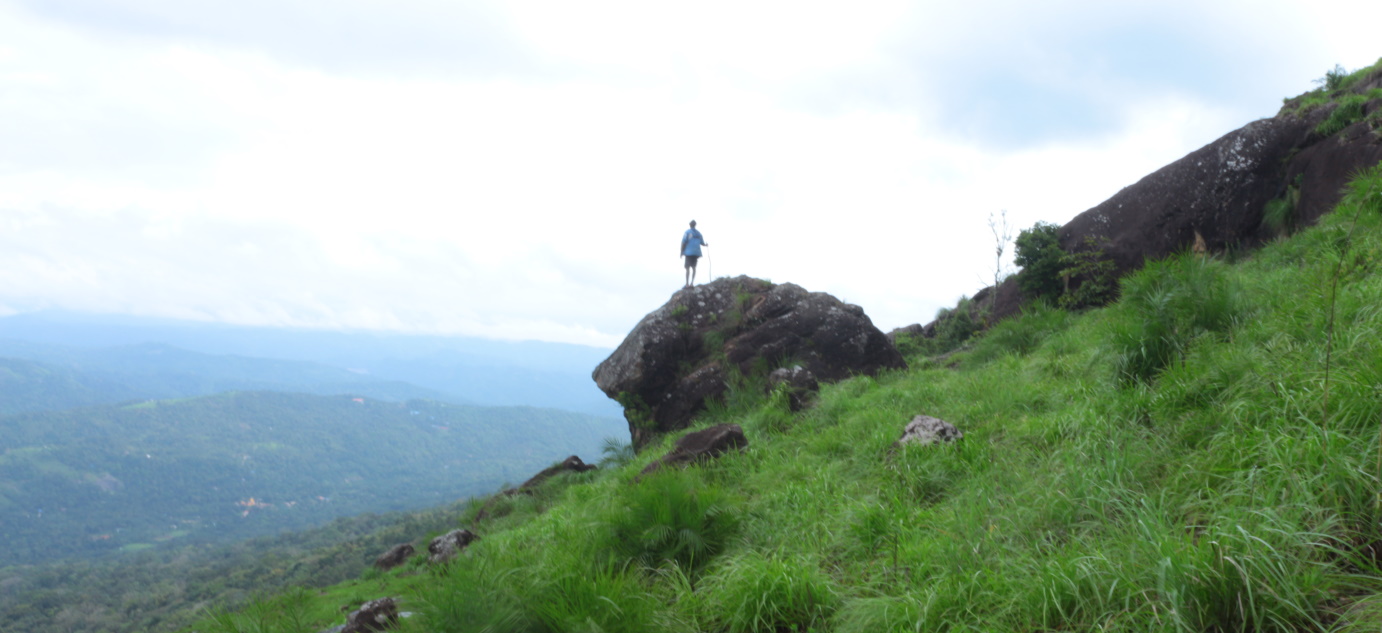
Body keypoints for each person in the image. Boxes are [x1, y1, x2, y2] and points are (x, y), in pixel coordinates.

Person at [680, 220, 708, 288]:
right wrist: (705, 245)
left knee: (687, 267)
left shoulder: (687, 232)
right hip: (696, 252)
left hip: (689, 252)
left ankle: (687, 284)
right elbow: (702, 242)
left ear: (690, 225)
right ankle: (692, 283)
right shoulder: (699, 234)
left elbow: (683, 242)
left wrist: (681, 252)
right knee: (694, 267)